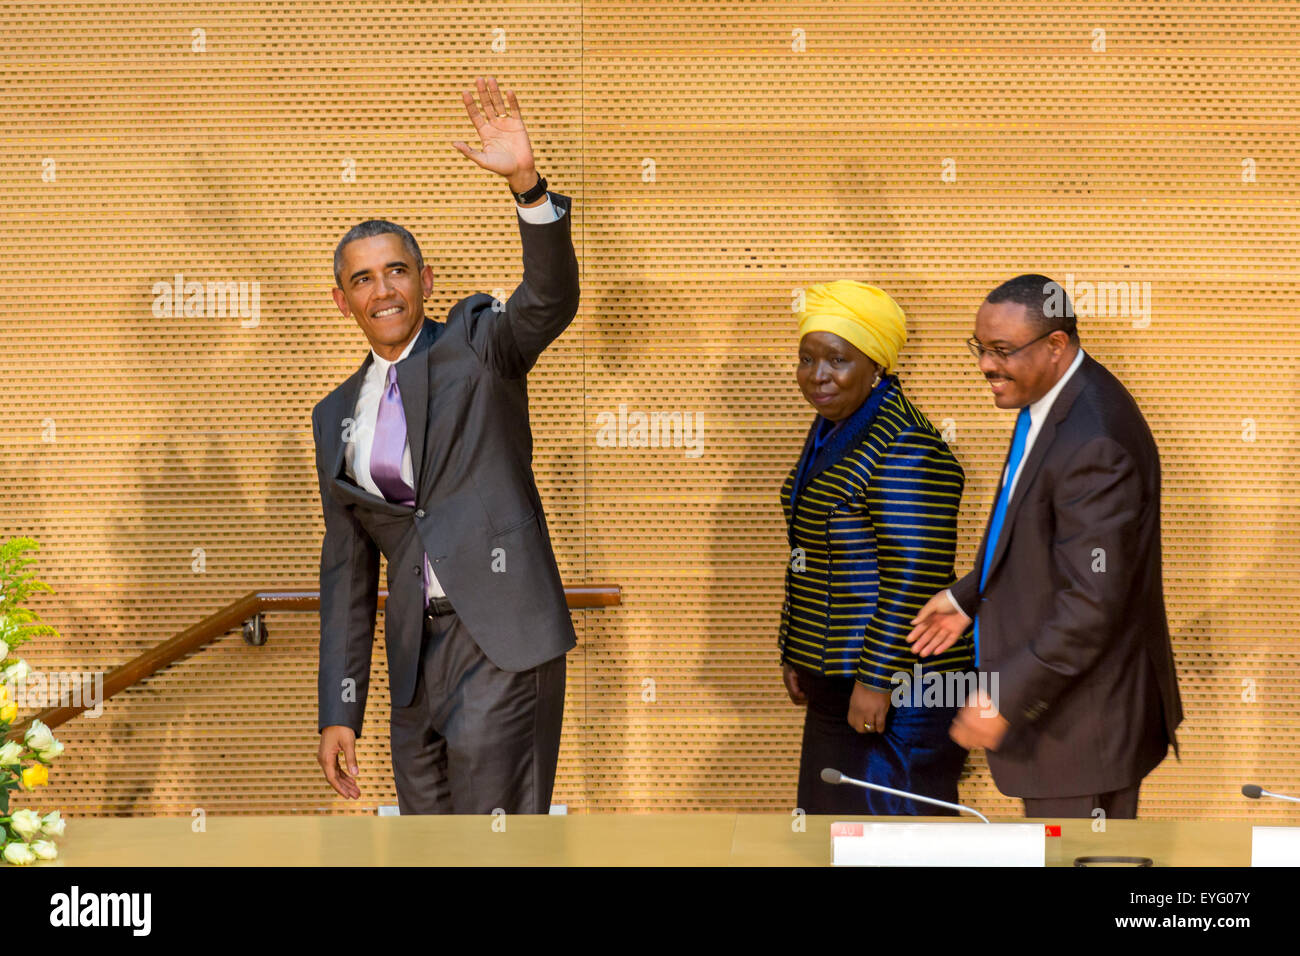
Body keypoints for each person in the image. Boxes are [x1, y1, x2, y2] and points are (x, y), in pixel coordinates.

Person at [311, 76, 579, 814]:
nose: (383, 289)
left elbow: (548, 300)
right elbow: (347, 573)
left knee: (496, 855)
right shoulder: (333, 414)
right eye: (362, 279)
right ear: (344, 301)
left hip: (502, 642)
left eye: (396, 270)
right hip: (412, 669)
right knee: (427, 852)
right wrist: (341, 707)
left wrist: (527, 187)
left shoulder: (475, 342)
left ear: (424, 280)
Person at [907, 274, 1183, 819]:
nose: (985, 365)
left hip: (1085, 731)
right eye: (980, 348)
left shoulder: (1095, 439)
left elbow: (1092, 602)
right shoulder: (1052, 394)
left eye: (1002, 351)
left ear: (1056, 346)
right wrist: (969, 596)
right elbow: (1032, 527)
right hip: (1070, 722)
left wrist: (1004, 697)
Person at [778, 280, 972, 814]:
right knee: (826, 834)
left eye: (838, 359)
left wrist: (875, 679)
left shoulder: (906, 443)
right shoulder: (835, 427)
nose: (818, 375)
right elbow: (810, 551)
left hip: (899, 691)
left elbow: (916, 576)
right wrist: (795, 650)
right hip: (837, 681)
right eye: (807, 359)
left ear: (876, 366)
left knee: (891, 844)